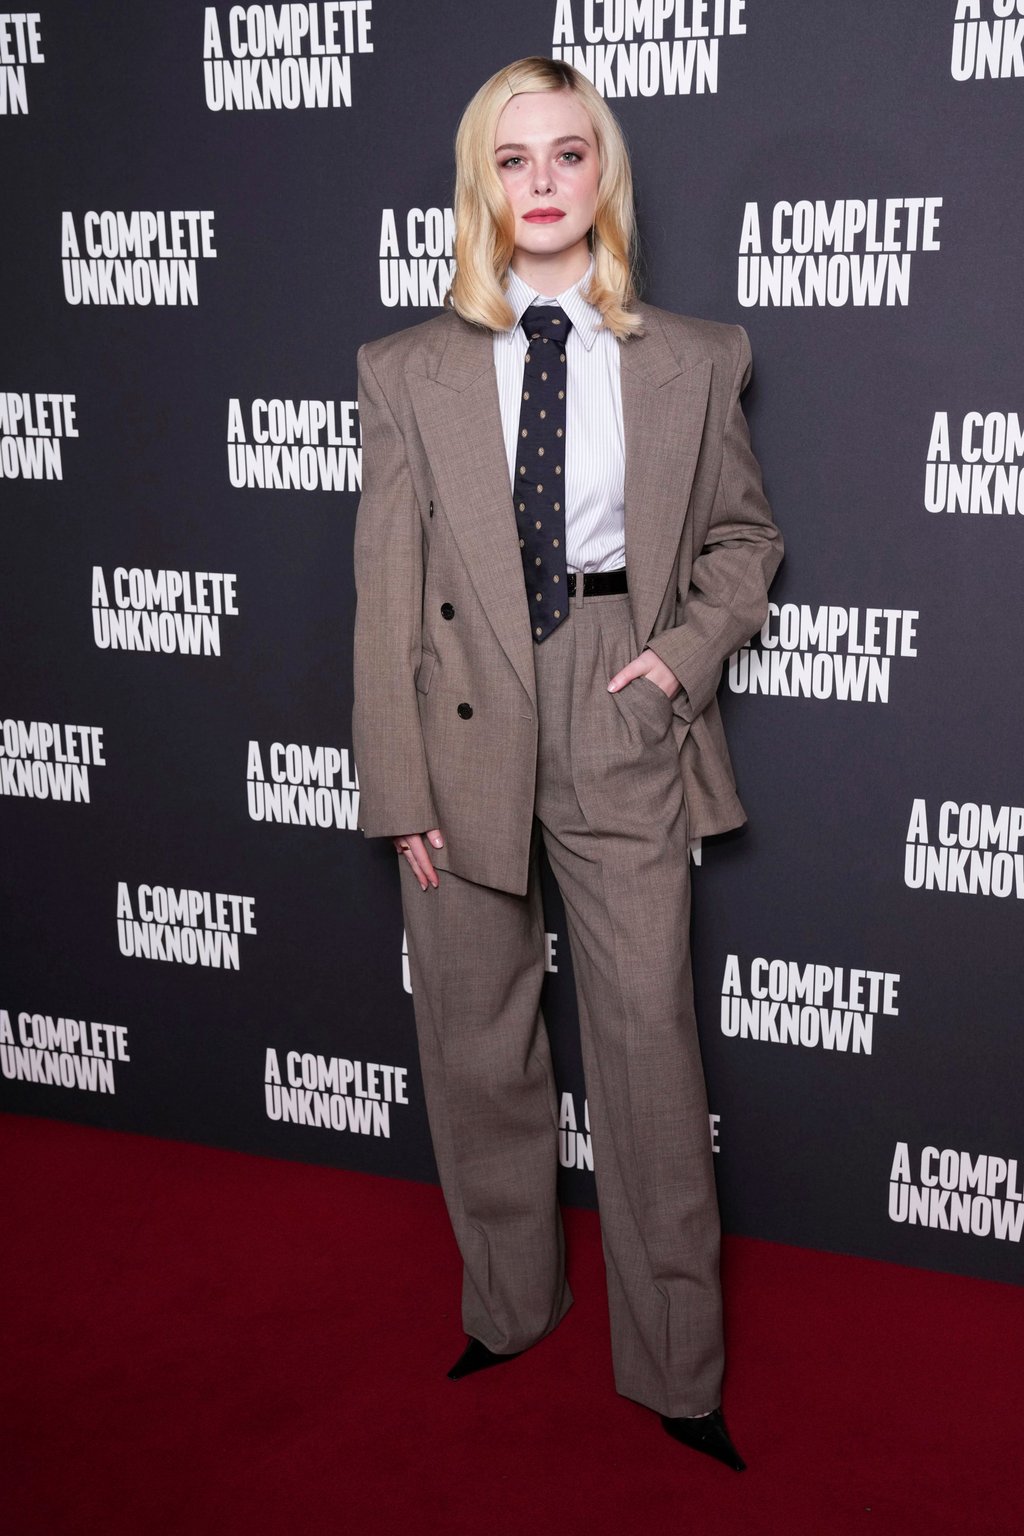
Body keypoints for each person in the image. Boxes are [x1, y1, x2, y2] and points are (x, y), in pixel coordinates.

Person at [353, 56, 782, 1471]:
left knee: (649, 1045)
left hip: (617, 696)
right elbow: (385, 588)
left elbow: (745, 540)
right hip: (461, 712)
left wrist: (678, 661)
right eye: (513, 157)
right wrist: (397, 786)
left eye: (569, 153)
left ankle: (677, 1367)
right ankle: (509, 1302)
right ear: (482, 183)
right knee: (477, 1040)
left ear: (605, 174)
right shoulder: (406, 369)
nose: (542, 182)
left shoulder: (696, 357)